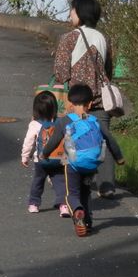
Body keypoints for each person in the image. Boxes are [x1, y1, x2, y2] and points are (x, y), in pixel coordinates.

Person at [53, 0, 118, 198]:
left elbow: (61, 72)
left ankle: (75, 181)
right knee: (102, 138)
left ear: (79, 13)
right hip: (99, 99)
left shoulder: (69, 38)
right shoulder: (103, 38)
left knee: (73, 137)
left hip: (76, 101)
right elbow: (108, 69)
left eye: (72, 10)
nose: (70, 14)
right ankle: (106, 186)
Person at [41, 84, 125, 237]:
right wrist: (119, 157)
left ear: (70, 104)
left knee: (71, 194)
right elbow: (110, 140)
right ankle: (88, 223)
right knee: (85, 193)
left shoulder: (64, 121)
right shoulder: (95, 120)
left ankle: (77, 211)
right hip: (91, 165)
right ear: (90, 104)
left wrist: (44, 154)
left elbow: (53, 141)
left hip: (72, 164)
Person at [21, 91, 69, 217]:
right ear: (55, 107)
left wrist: (25, 157)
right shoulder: (60, 122)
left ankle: (34, 204)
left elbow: (28, 142)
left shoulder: (35, 124)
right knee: (60, 182)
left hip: (40, 160)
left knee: (38, 181)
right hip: (58, 158)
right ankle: (64, 206)